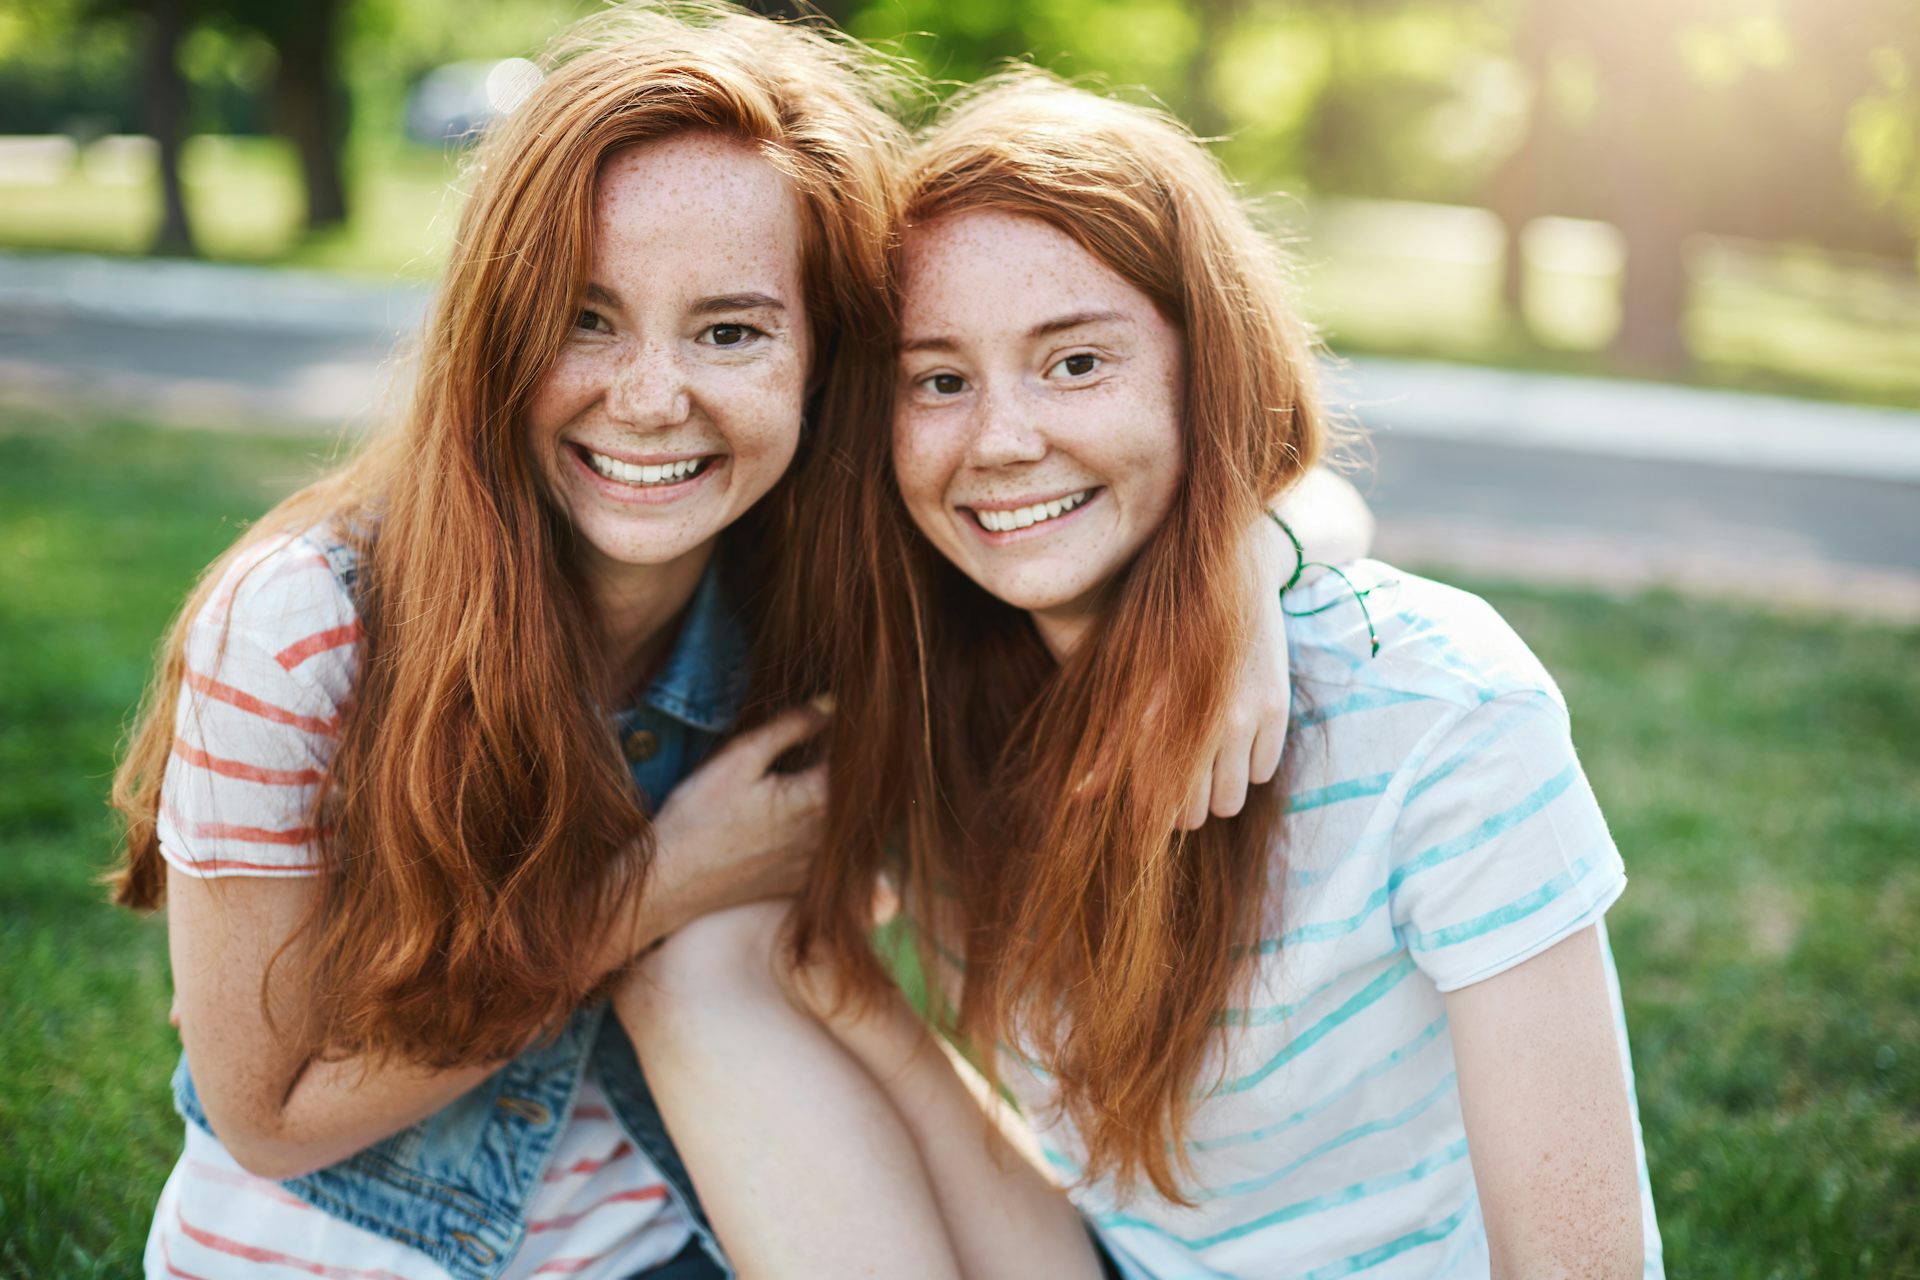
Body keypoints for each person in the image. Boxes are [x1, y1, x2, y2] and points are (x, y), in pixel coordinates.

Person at [108, 9, 1363, 1278]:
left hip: (684, 1240)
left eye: (730, 332)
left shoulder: (821, 580)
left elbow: (1287, 487)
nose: (651, 399)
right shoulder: (303, 625)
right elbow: (264, 1115)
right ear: (496, 327)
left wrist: (1236, 571)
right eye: (587, 318)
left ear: (826, 360)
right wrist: (666, 878)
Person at [623, 72, 1664, 1279]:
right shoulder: (935, 676)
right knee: (708, 964)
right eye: (940, 379)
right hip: (1099, 1255)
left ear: (1199, 368)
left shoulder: (1442, 712)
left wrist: (1250, 541)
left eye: (1074, 364)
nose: (1001, 440)